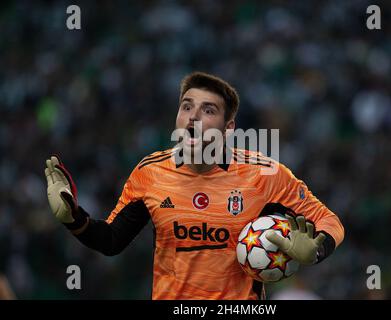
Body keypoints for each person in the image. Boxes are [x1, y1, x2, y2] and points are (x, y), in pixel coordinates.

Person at [44, 72, 344, 299]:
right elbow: (111, 240)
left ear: (229, 129)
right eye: (187, 107)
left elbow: (329, 221)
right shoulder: (150, 173)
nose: (193, 117)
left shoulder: (264, 175)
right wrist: (74, 219)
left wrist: (316, 250)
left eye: (208, 110)